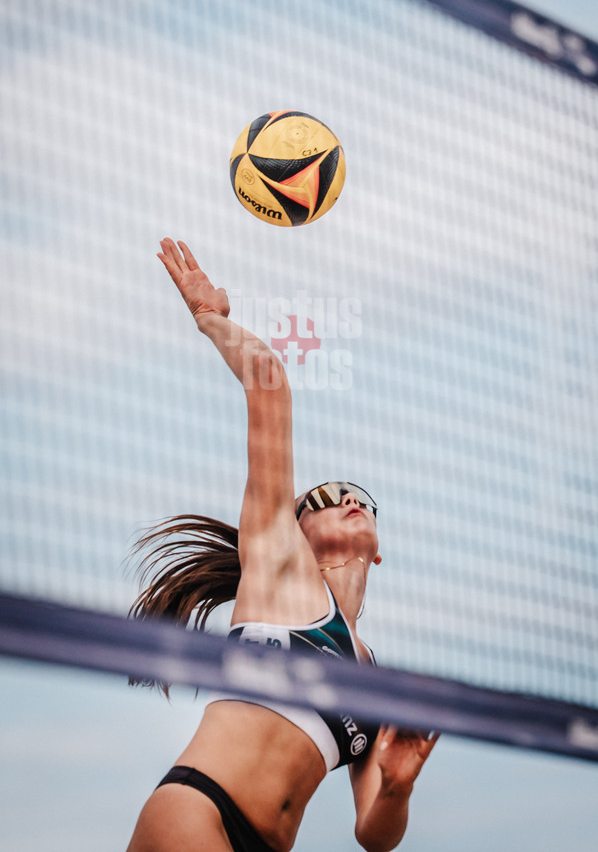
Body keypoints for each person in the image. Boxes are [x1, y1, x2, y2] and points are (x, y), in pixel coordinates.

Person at [126, 238, 438, 852]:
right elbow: (268, 382)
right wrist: (209, 317)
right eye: (323, 497)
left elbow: (374, 834)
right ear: (294, 527)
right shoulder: (276, 562)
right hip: (199, 811)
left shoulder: (374, 674)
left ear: (378, 548)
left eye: (358, 496)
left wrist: (398, 786)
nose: (346, 498)